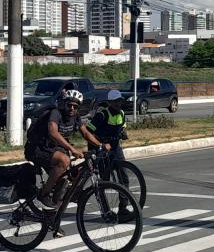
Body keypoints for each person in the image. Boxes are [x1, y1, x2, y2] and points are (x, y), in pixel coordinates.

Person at [24, 84, 102, 210]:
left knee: (68, 180)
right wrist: (72, 149)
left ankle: (53, 216)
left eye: (75, 106)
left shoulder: (75, 117)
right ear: (63, 103)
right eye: (69, 105)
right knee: (64, 160)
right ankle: (43, 195)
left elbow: (86, 133)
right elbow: (53, 132)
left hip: (53, 149)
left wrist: (100, 146)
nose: (71, 108)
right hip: (37, 148)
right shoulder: (55, 113)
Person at [86, 89, 134, 219]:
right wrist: (100, 144)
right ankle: (105, 210)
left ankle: (123, 209)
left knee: (124, 178)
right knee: (104, 181)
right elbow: (88, 132)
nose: (119, 104)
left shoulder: (122, 113)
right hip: (101, 149)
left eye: (120, 101)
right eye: (116, 102)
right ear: (109, 102)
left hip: (115, 147)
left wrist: (123, 133)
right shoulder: (102, 115)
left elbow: (122, 126)